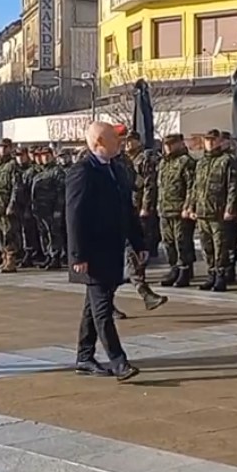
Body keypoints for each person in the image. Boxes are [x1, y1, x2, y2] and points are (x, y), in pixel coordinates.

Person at [67, 121, 145, 382]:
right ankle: (119, 361)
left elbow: (127, 209)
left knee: (93, 306)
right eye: (114, 138)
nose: (120, 143)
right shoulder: (83, 171)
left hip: (112, 249)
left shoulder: (117, 168)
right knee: (102, 309)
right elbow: (74, 216)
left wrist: (139, 242)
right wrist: (78, 256)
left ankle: (84, 357)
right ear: (99, 142)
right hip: (93, 253)